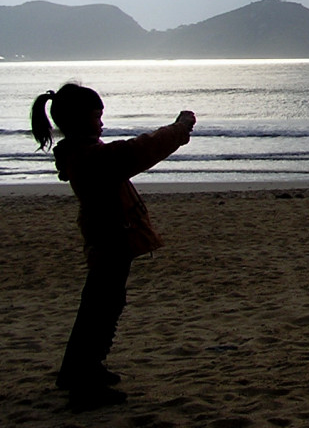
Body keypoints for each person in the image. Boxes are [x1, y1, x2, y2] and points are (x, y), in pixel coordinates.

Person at [30, 83, 196, 411]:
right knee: (101, 310)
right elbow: (139, 151)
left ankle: (78, 370)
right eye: (96, 117)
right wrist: (178, 129)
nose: (101, 123)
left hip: (107, 238)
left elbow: (132, 151)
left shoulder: (82, 152)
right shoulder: (92, 158)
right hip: (111, 240)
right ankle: (84, 381)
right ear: (79, 121)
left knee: (100, 306)